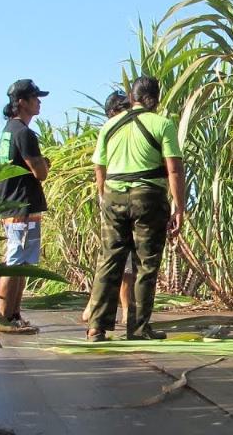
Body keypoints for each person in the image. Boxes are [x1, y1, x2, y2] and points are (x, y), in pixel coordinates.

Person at [85, 76, 185, 341]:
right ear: (156, 97)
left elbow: (99, 166)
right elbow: (173, 169)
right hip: (148, 197)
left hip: (113, 195)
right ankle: (138, 329)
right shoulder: (162, 124)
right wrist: (179, 207)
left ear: (132, 97)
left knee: (109, 259)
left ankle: (97, 326)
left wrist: (103, 194)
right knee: (145, 263)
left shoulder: (110, 125)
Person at [0, 79, 51, 334]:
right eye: (34, 97)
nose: (39, 102)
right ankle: (4, 319)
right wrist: (45, 163)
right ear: (21, 103)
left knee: (22, 263)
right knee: (15, 262)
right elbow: (39, 172)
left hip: (11, 204)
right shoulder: (24, 133)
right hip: (21, 206)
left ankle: (14, 315)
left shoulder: (9, 130)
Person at [81, 90, 136, 326]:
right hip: (119, 201)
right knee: (120, 261)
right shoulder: (113, 129)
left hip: (121, 201)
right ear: (113, 113)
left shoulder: (122, 130)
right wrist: (103, 196)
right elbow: (99, 168)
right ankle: (120, 313)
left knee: (118, 259)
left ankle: (102, 311)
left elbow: (99, 168)